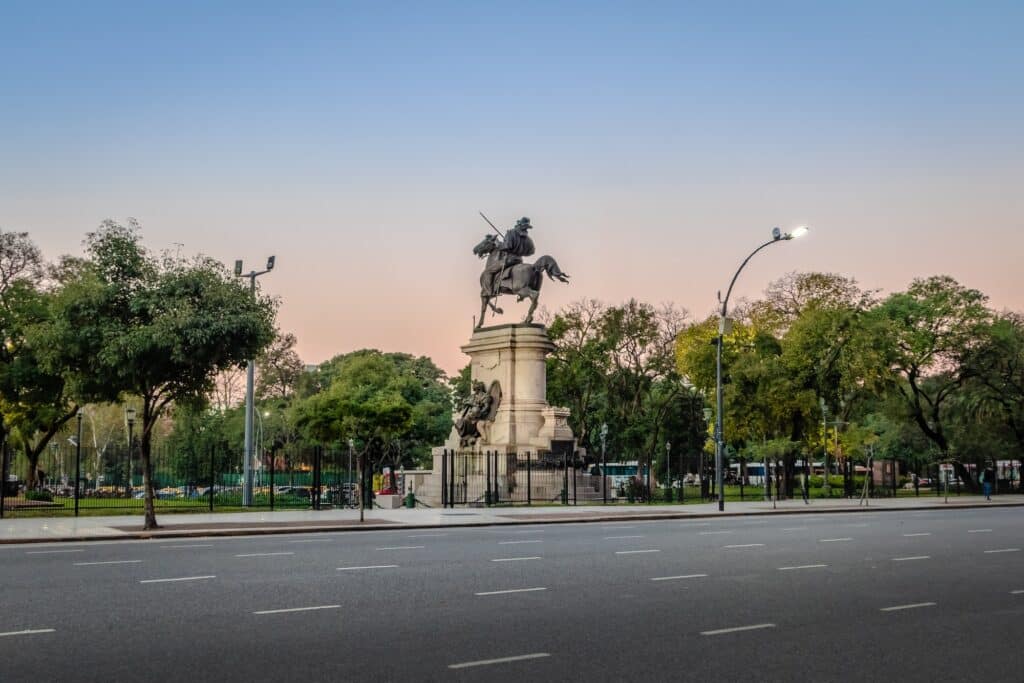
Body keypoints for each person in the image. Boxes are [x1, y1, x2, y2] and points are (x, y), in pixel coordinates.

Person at [481, 217, 536, 296]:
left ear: (519, 224)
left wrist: (498, 243)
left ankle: (490, 292)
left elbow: (507, 247)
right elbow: (532, 251)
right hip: (519, 260)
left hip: (508, 260)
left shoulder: (511, 233)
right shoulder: (528, 239)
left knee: (488, 271)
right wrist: (520, 251)